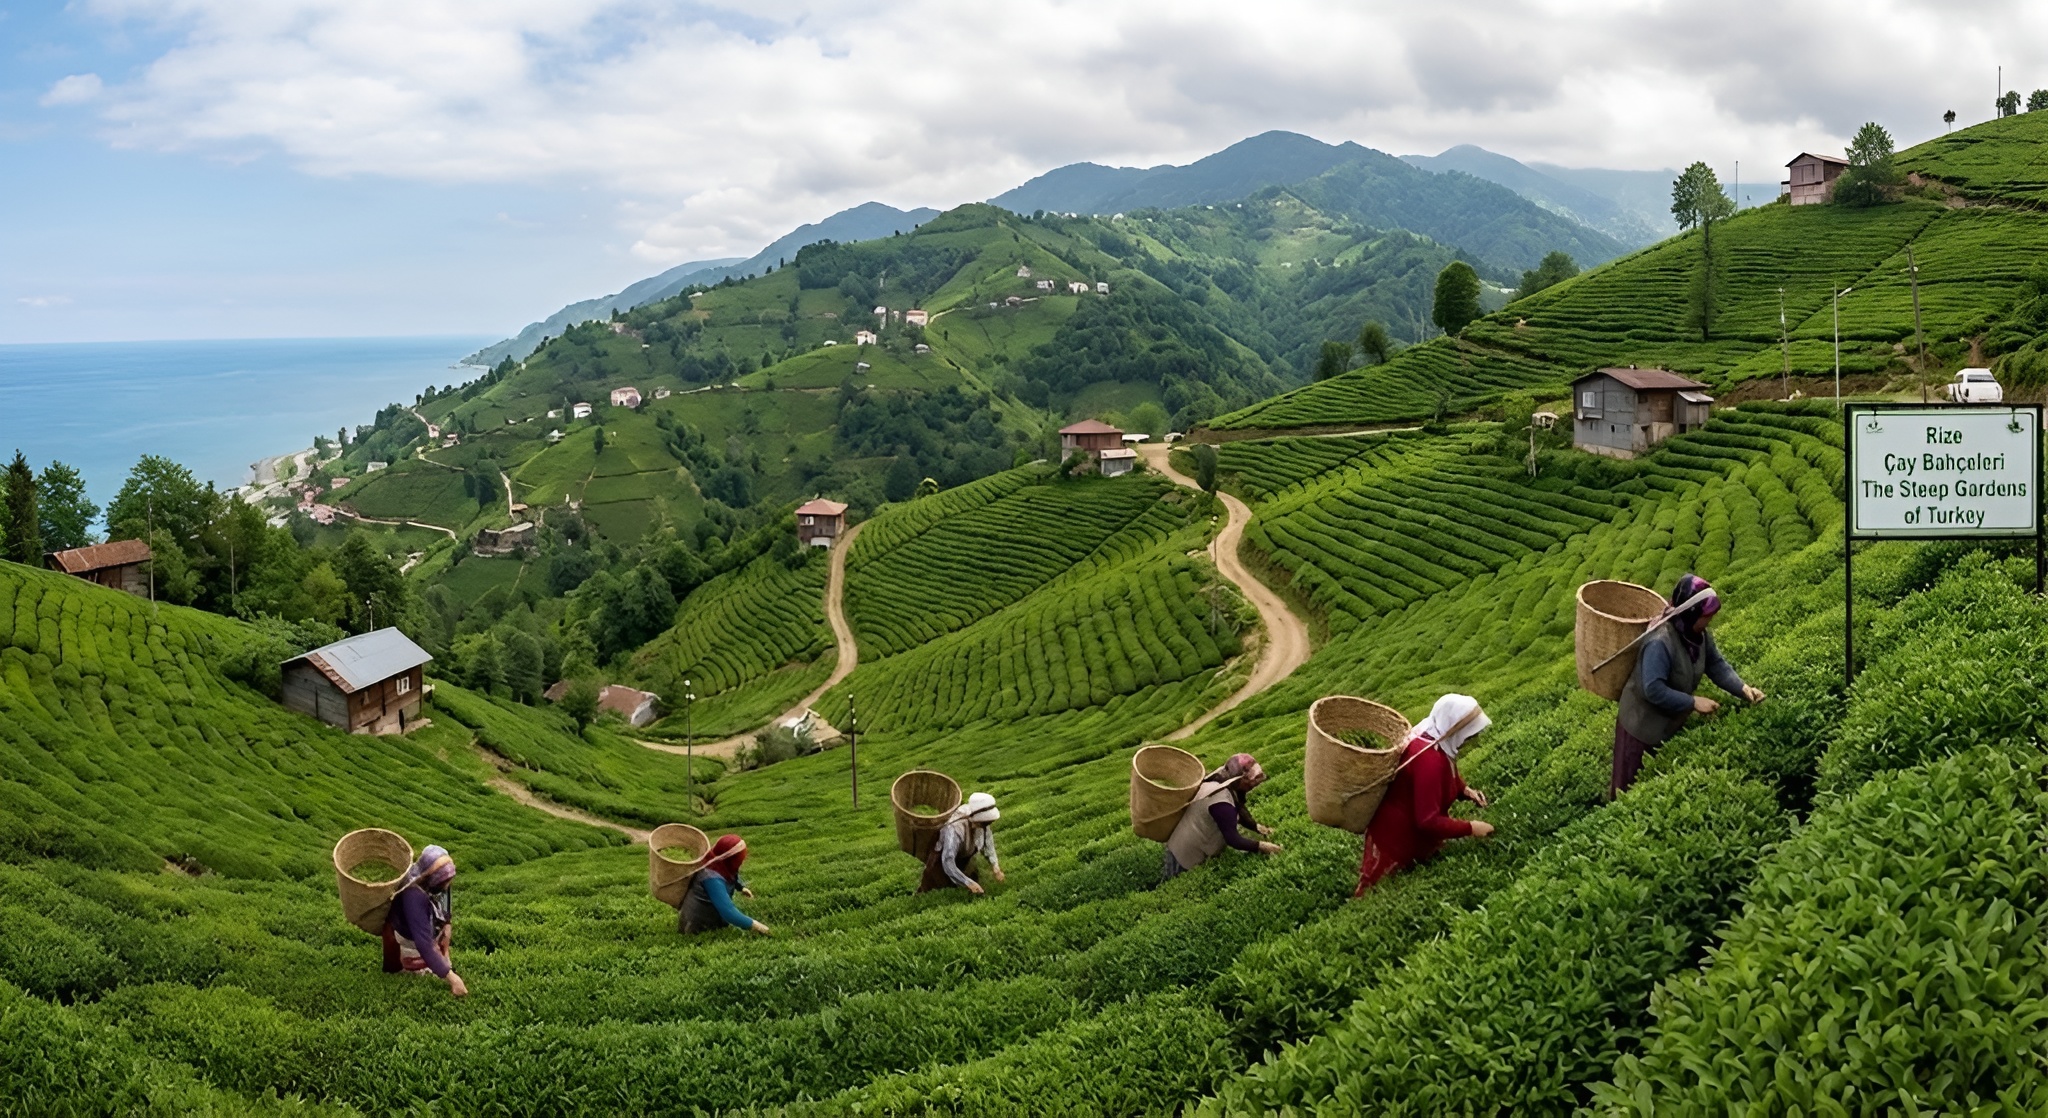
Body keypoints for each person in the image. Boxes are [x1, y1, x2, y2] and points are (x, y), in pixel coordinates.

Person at [1612, 573, 1765, 798]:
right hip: (1641, 726)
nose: (1709, 621)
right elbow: (1653, 688)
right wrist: (1693, 702)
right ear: (1691, 613)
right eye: (1706, 616)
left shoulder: (1697, 634)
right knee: (1630, 788)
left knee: (1661, 785)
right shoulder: (1660, 642)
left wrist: (1743, 689)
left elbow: (1716, 664)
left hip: (1669, 720)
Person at [1354, 694, 1494, 897]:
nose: (1470, 741)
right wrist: (1471, 828)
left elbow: (1447, 771)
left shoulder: (1432, 738)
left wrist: (1464, 790)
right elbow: (1428, 820)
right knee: (1380, 893)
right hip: (1397, 840)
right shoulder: (1429, 760)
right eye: (1468, 735)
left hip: (1408, 833)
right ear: (1453, 729)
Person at [1161, 753, 1282, 881]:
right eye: (1250, 783)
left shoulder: (1221, 780)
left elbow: (1238, 807)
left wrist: (1257, 827)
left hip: (1182, 845)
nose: (1253, 786)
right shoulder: (1221, 802)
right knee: (1178, 883)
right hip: (1184, 857)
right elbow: (1233, 840)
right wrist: (1262, 846)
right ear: (1241, 780)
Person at [381, 845, 467, 997]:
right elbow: (423, 943)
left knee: (440, 960)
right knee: (424, 975)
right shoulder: (413, 895)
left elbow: (445, 897)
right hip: (408, 939)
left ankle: (436, 963)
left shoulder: (432, 880)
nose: (447, 886)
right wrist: (453, 979)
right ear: (434, 878)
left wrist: (447, 925)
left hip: (426, 930)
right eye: (445, 882)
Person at [679, 833, 773, 936]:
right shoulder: (711, 878)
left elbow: (731, 874)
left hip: (713, 918)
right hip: (699, 928)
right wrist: (758, 926)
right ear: (731, 859)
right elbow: (729, 913)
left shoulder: (718, 863)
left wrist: (741, 887)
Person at [919, 792, 1006, 894]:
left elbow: (988, 843)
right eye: (986, 823)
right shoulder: (954, 829)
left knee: (971, 890)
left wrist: (995, 867)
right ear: (978, 820)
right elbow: (948, 861)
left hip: (964, 858)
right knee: (936, 892)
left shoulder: (983, 824)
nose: (987, 825)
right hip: (941, 864)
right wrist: (968, 883)